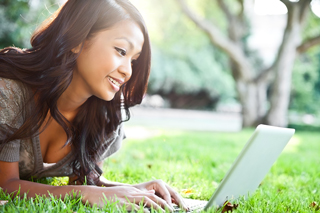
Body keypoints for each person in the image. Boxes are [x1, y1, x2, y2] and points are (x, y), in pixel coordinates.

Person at [0, 0, 189, 212]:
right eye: (121, 51)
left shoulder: (105, 115)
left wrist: (139, 191)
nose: (128, 71)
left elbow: (84, 182)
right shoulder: (10, 93)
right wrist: (85, 193)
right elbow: (6, 185)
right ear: (78, 40)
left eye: (134, 60)